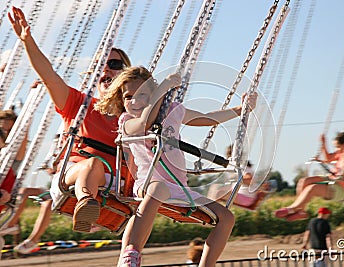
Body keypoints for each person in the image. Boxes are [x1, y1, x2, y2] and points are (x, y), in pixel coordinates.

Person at [94, 66, 257, 267]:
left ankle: (207, 264)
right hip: (149, 184)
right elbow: (145, 123)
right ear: (121, 100)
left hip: (180, 190)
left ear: (153, 95)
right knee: (158, 188)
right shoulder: (127, 122)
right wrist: (166, 86)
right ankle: (130, 254)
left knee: (227, 218)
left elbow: (206, 119)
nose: (135, 101)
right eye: (128, 97)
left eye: (143, 94)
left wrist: (240, 110)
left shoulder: (171, 110)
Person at [8, 6, 132, 234]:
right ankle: (86, 204)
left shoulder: (134, 116)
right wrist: (27, 40)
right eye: (101, 64)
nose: (107, 68)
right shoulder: (79, 103)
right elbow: (49, 75)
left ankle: (93, 208)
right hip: (73, 177)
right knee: (94, 165)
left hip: (115, 184)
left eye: (114, 64)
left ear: (126, 74)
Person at [275, 132, 344, 221]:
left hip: (341, 188)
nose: (336, 149)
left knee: (312, 188)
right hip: (332, 179)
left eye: (338, 147)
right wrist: (323, 143)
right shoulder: (341, 153)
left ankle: (293, 208)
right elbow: (328, 158)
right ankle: (301, 211)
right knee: (304, 181)